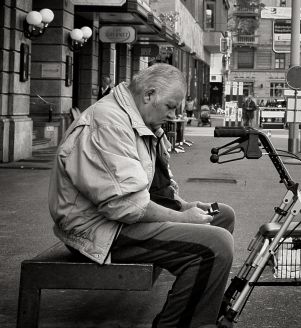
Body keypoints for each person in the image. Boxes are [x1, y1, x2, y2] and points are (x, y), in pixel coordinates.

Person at [49, 63, 235, 328]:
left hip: (120, 221)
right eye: (170, 106)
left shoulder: (138, 119)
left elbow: (155, 188)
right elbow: (124, 205)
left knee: (221, 216)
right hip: (98, 230)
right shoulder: (108, 123)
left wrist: (184, 206)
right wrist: (183, 219)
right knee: (215, 245)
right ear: (149, 95)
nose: (173, 115)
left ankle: (193, 307)